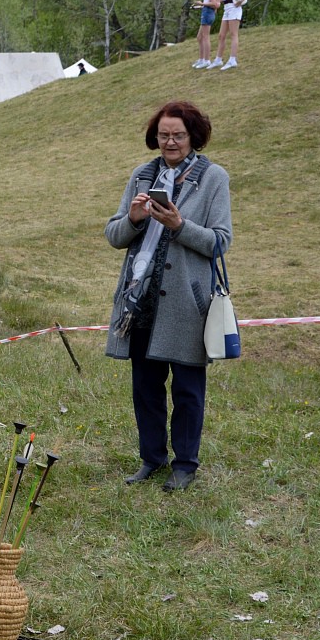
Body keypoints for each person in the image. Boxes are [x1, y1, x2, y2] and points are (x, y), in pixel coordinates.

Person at [105, 101, 232, 492]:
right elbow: (113, 235)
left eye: (178, 134)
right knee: (145, 387)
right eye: (163, 135)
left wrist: (180, 226)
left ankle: (185, 464)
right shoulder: (142, 175)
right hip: (138, 302)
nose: (170, 141)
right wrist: (134, 219)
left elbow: (220, 241)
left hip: (185, 304)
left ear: (193, 135)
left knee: (187, 390)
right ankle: (152, 459)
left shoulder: (214, 178)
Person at [215, 0, 249, 70]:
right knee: (221, 35)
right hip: (227, 7)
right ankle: (218, 59)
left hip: (234, 7)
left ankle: (232, 60)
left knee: (233, 34)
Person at [192, 0, 222, 68]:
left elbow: (214, 4)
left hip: (207, 12)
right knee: (199, 37)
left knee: (205, 37)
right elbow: (216, 3)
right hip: (207, 11)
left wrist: (201, 3)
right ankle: (201, 59)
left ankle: (206, 60)